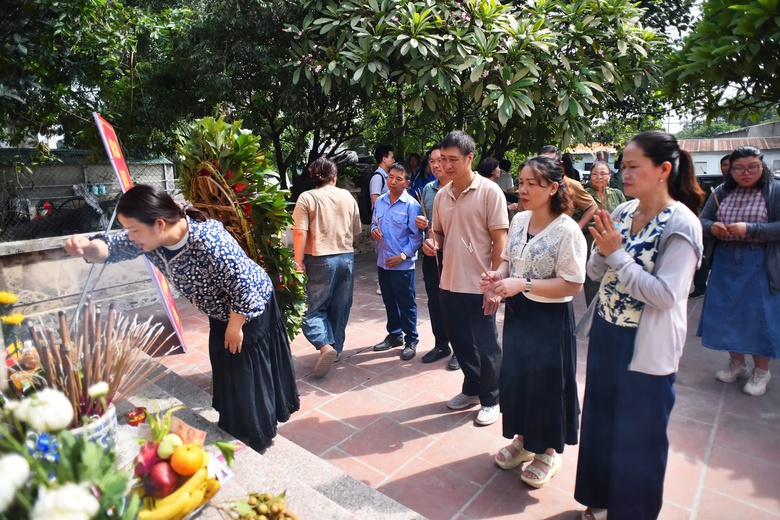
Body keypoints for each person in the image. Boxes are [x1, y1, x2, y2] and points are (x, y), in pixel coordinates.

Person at [63, 184, 300, 452]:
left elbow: (243, 287)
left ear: (160, 223)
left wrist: (235, 326)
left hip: (249, 308)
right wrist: (86, 248)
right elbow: (110, 248)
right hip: (221, 310)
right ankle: (234, 426)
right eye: (127, 229)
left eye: (133, 229)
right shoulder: (148, 239)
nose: (130, 236)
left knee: (248, 370)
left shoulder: (208, 241)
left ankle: (260, 435)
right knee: (228, 367)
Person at [574, 131, 705, 520]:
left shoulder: (681, 224)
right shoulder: (622, 213)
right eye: (622, 166)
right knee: (600, 422)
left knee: (639, 437)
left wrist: (616, 257)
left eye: (633, 166)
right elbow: (597, 270)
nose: (623, 174)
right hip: (607, 333)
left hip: (645, 346)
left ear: (664, 169)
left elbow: (667, 295)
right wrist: (600, 256)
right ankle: (599, 498)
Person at [481, 155, 586, 489]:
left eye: (531, 184)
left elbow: (572, 283)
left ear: (554, 188)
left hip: (549, 318)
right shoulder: (519, 220)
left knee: (547, 385)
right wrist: (497, 277)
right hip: (518, 315)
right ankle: (525, 440)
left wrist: (522, 285)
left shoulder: (567, 230)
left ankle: (548, 452)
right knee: (518, 377)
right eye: (521, 183)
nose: (522, 190)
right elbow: (509, 262)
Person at [423, 130, 508, 427]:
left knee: (487, 345)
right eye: (441, 159)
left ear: (470, 158)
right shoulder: (441, 196)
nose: (445, 166)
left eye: (452, 160)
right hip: (449, 283)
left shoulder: (489, 192)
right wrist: (431, 243)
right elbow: (440, 235)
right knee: (460, 343)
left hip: (481, 284)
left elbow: (501, 241)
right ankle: (472, 388)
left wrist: (495, 286)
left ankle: (492, 398)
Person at [698, 146, 780, 396]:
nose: (746, 173)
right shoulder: (722, 191)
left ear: (762, 166)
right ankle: (736, 362)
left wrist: (750, 228)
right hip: (725, 259)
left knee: (758, 316)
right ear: (730, 169)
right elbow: (702, 219)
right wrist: (713, 227)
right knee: (727, 313)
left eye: (753, 167)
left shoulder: (774, 190)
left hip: (759, 260)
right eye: (739, 168)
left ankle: (761, 371)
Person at [292, 157, 362, 378]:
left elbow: (300, 231)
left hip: (319, 258)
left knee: (311, 308)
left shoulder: (307, 197)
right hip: (346, 257)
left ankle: (324, 345)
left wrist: (297, 260)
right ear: (335, 177)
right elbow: (357, 229)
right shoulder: (347, 196)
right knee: (341, 304)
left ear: (313, 177)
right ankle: (336, 348)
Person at [369, 163, 424, 360]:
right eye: (390, 177)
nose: (393, 181)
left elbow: (417, 237)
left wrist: (402, 256)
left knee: (406, 302)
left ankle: (411, 339)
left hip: (402, 265)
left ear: (407, 183)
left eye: (398, 179)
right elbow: (374, 223)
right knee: (389, 300)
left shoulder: (411, 205)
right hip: (383, 262)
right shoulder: (380, 202)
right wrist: (373, 231)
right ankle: (394, 335)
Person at [415, 144, 459, 370]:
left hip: (459, 256)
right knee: (435, 301)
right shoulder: (427, 191)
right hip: (433, 254)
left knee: (456, 303)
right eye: (431, 161)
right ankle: (442, 344)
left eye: (439, 160)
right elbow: (429, 226)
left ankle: (461, 349)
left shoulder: (459, 188)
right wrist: (422, 228)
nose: (435, 165)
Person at [582, 161, 626, 306]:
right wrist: (597, 225)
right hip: (590, 241)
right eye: (594, 174)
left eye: (603, 173)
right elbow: (575, 220)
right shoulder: (584, 194)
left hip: (615, 245)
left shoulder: (617, 194)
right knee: (593, 281)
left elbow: (625, 217)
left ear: (609, 176)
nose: (598, 177)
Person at [538, 145, 598, 230]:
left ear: (560, 163)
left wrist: (577, 228)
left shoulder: (571, 184)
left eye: (552, 161)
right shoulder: (533, 183)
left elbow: (592, 206)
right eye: (542, 161)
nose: (547, 165)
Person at [372, 145, 395, 295]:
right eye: (391, 157)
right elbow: (375, 198)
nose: (393, 160)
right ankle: (382, 284)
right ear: (384, 159)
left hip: (390, 222)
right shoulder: (377, 177)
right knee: (382, 252)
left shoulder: (387, 176)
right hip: (381, 222)